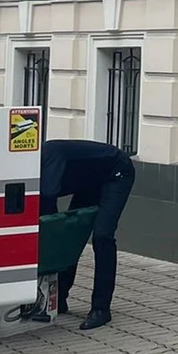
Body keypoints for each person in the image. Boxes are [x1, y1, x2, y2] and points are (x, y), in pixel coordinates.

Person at [39, 138, 136, 331]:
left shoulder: (49, 157)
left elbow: (48, 203)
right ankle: (61, 298)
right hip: (90, 180)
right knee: (71, 237)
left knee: (102, 235)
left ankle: (101, 308)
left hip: (116, 173)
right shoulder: (39, 162)